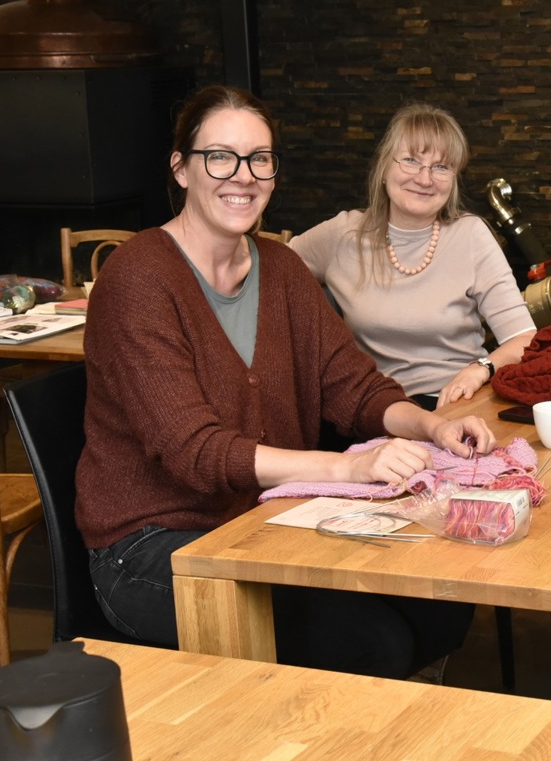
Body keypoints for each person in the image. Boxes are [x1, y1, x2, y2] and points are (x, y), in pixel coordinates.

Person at [76, 85, 496, 680]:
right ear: (181, 169)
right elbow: (196, 453)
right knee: (365, 641)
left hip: (263, 520)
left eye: (260, 159)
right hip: (154, 546)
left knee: (440, 611)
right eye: (220, 157)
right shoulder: (138, 280)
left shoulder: (281, 268)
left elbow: (353, 387)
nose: (242, 176)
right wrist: (348, 469)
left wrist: (435, 425)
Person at [290, 103, 536, 411]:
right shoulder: (344, 235)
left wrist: (480, 369)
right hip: (376, 411)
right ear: (384, 167)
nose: (424, 178)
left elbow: (524, 338)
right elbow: (269, 266)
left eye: (441, 167)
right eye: (410, 160)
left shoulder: (470, 235)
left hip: (457, 405)